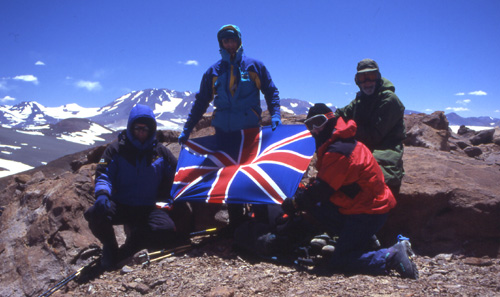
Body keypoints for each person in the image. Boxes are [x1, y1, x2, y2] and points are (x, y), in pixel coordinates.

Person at [281, 103, 418, 279]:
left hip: (368, 212)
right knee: (317, 206)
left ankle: (389, 256)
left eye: (318, 122)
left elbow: (321, 190)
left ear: (331, 119)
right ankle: (365, 241)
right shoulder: (343, 142)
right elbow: (327, 186)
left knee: (340, 261)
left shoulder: (339, 151)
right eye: (310, 125)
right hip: (367, 206)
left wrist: (294, 203)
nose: (314, 130)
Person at [178, 24, 282, 233]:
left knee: (252, 174)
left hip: (249, 133)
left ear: (239, 40)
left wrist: (276, 114)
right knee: (230, 176)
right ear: (221, 44)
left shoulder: (255, 66)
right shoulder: (214, 71)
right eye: (225, 41)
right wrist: (188, 128)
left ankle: (261, 221)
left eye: (232, 39)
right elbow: (201, 102)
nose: (229, 44)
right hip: (224, 134)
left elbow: (271, 92)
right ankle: (237, 225)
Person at [84, 104, 187, 270]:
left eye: (146, 129)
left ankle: (133, 242)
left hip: (148, 207)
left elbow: (178, 175)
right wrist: (102, 194)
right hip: (121, 205)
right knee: (94, 214)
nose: (141, 132)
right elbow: (104, 174)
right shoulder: (115, 150)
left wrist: (174, 197)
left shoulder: (160, 152)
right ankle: (110, 247)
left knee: (166, 230)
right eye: (138, 128)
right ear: (131, 127)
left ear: (151, 130)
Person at [334, 59, 406, 195]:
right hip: (361, 143)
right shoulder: (361, 99)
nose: (367, 82)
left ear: (378, 78)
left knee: (378, 176)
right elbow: (341, 113)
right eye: (362, 77)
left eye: (371, 76)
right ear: (357, 81)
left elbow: (374, 136)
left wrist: (348, 129)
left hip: (385, 146)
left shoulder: (389, 100)